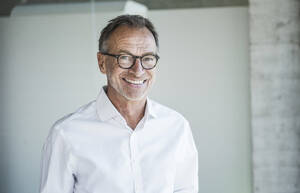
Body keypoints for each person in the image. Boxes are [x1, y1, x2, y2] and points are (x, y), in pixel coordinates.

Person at [39, 14, 198, 193]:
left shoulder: (177, 127)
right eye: (125, 57)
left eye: (147, 58)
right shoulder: (66, 134)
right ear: (102, 63)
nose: (138, 71)